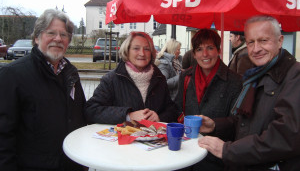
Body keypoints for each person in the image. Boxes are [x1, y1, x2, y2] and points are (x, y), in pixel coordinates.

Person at [198, 15, 300, 171]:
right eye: (251, 42)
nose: (256, 48)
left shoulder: (295, 75)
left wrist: (227, 150)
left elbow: (285, 137)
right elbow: (245, 123)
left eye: (263, 40)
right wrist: (215, 125)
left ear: (280, 41)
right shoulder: (255, 75)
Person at [0, 9, 87, 170]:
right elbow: (3, 137)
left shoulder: (71, 73)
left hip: (70, 164)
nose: (58, 39)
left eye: (64, 35)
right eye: (51, 33)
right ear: (37, 37)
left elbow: (80, 115)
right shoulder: (12, 75)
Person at [175, 28, 243, 171]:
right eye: (199, 49)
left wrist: (215, 125)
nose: (205, 54)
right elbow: (177, 108)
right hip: (186, 153)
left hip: (215, 159)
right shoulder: (186, 77)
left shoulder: (235, 81)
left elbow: (238, 122)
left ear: (218, 50)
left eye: (210, 48)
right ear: (194, 54)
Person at [85, 32, 177, 124]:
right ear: (127, 51)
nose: (142, 53)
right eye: (136, 48)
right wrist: (128, 116)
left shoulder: (159, 78)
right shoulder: (112, 79)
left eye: (147, 49)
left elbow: (172, 109)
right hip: (121, 137)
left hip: (154, 137)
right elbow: (91, 110)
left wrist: (159, 117)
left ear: (151, 53)